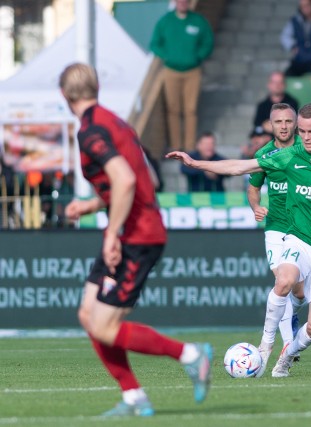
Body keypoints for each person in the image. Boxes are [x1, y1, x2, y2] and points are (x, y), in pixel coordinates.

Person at [167, 103, 311, 378]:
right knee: (284, 280)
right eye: (301, 131)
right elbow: (239, 167)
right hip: (298, 239)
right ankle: (266, 343)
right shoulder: (289, 155)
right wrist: (196, 162)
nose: (306, 137)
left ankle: (288, 354)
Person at [59, 63, 212, 416]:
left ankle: (191, 355)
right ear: (96, 87)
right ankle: (133, 398)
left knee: (104, 325)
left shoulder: (91, 130)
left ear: (65, 96)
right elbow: (146, 181)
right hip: (131, 229)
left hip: (137, 235)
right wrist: (92, 204)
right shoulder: (117, 122)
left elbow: (126, 180)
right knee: (88, 314)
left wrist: (111, 232)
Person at [247, 103, 306, 366]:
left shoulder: (306, 149)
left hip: (304, 227)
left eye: (288, 121)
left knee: (300, 293)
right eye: (278, 122)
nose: (283, 126)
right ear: (270, 125)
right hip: (275, 227)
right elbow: (253, 189)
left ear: (295, 123)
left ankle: (292, 314)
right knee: (282, 283)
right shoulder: (263, 154)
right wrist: (256, 206)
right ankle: (286, 345)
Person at [150, 0, 214, 152]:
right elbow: (154, 43)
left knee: (190, 109)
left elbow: (208, 41)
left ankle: (190, 146)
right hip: (171, 70)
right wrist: (167, 56)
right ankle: (175, 146)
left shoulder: (198, 21)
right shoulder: (165, 21)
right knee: (173, 109)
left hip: (193, 70)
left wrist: (198, 56)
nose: (182, 2)